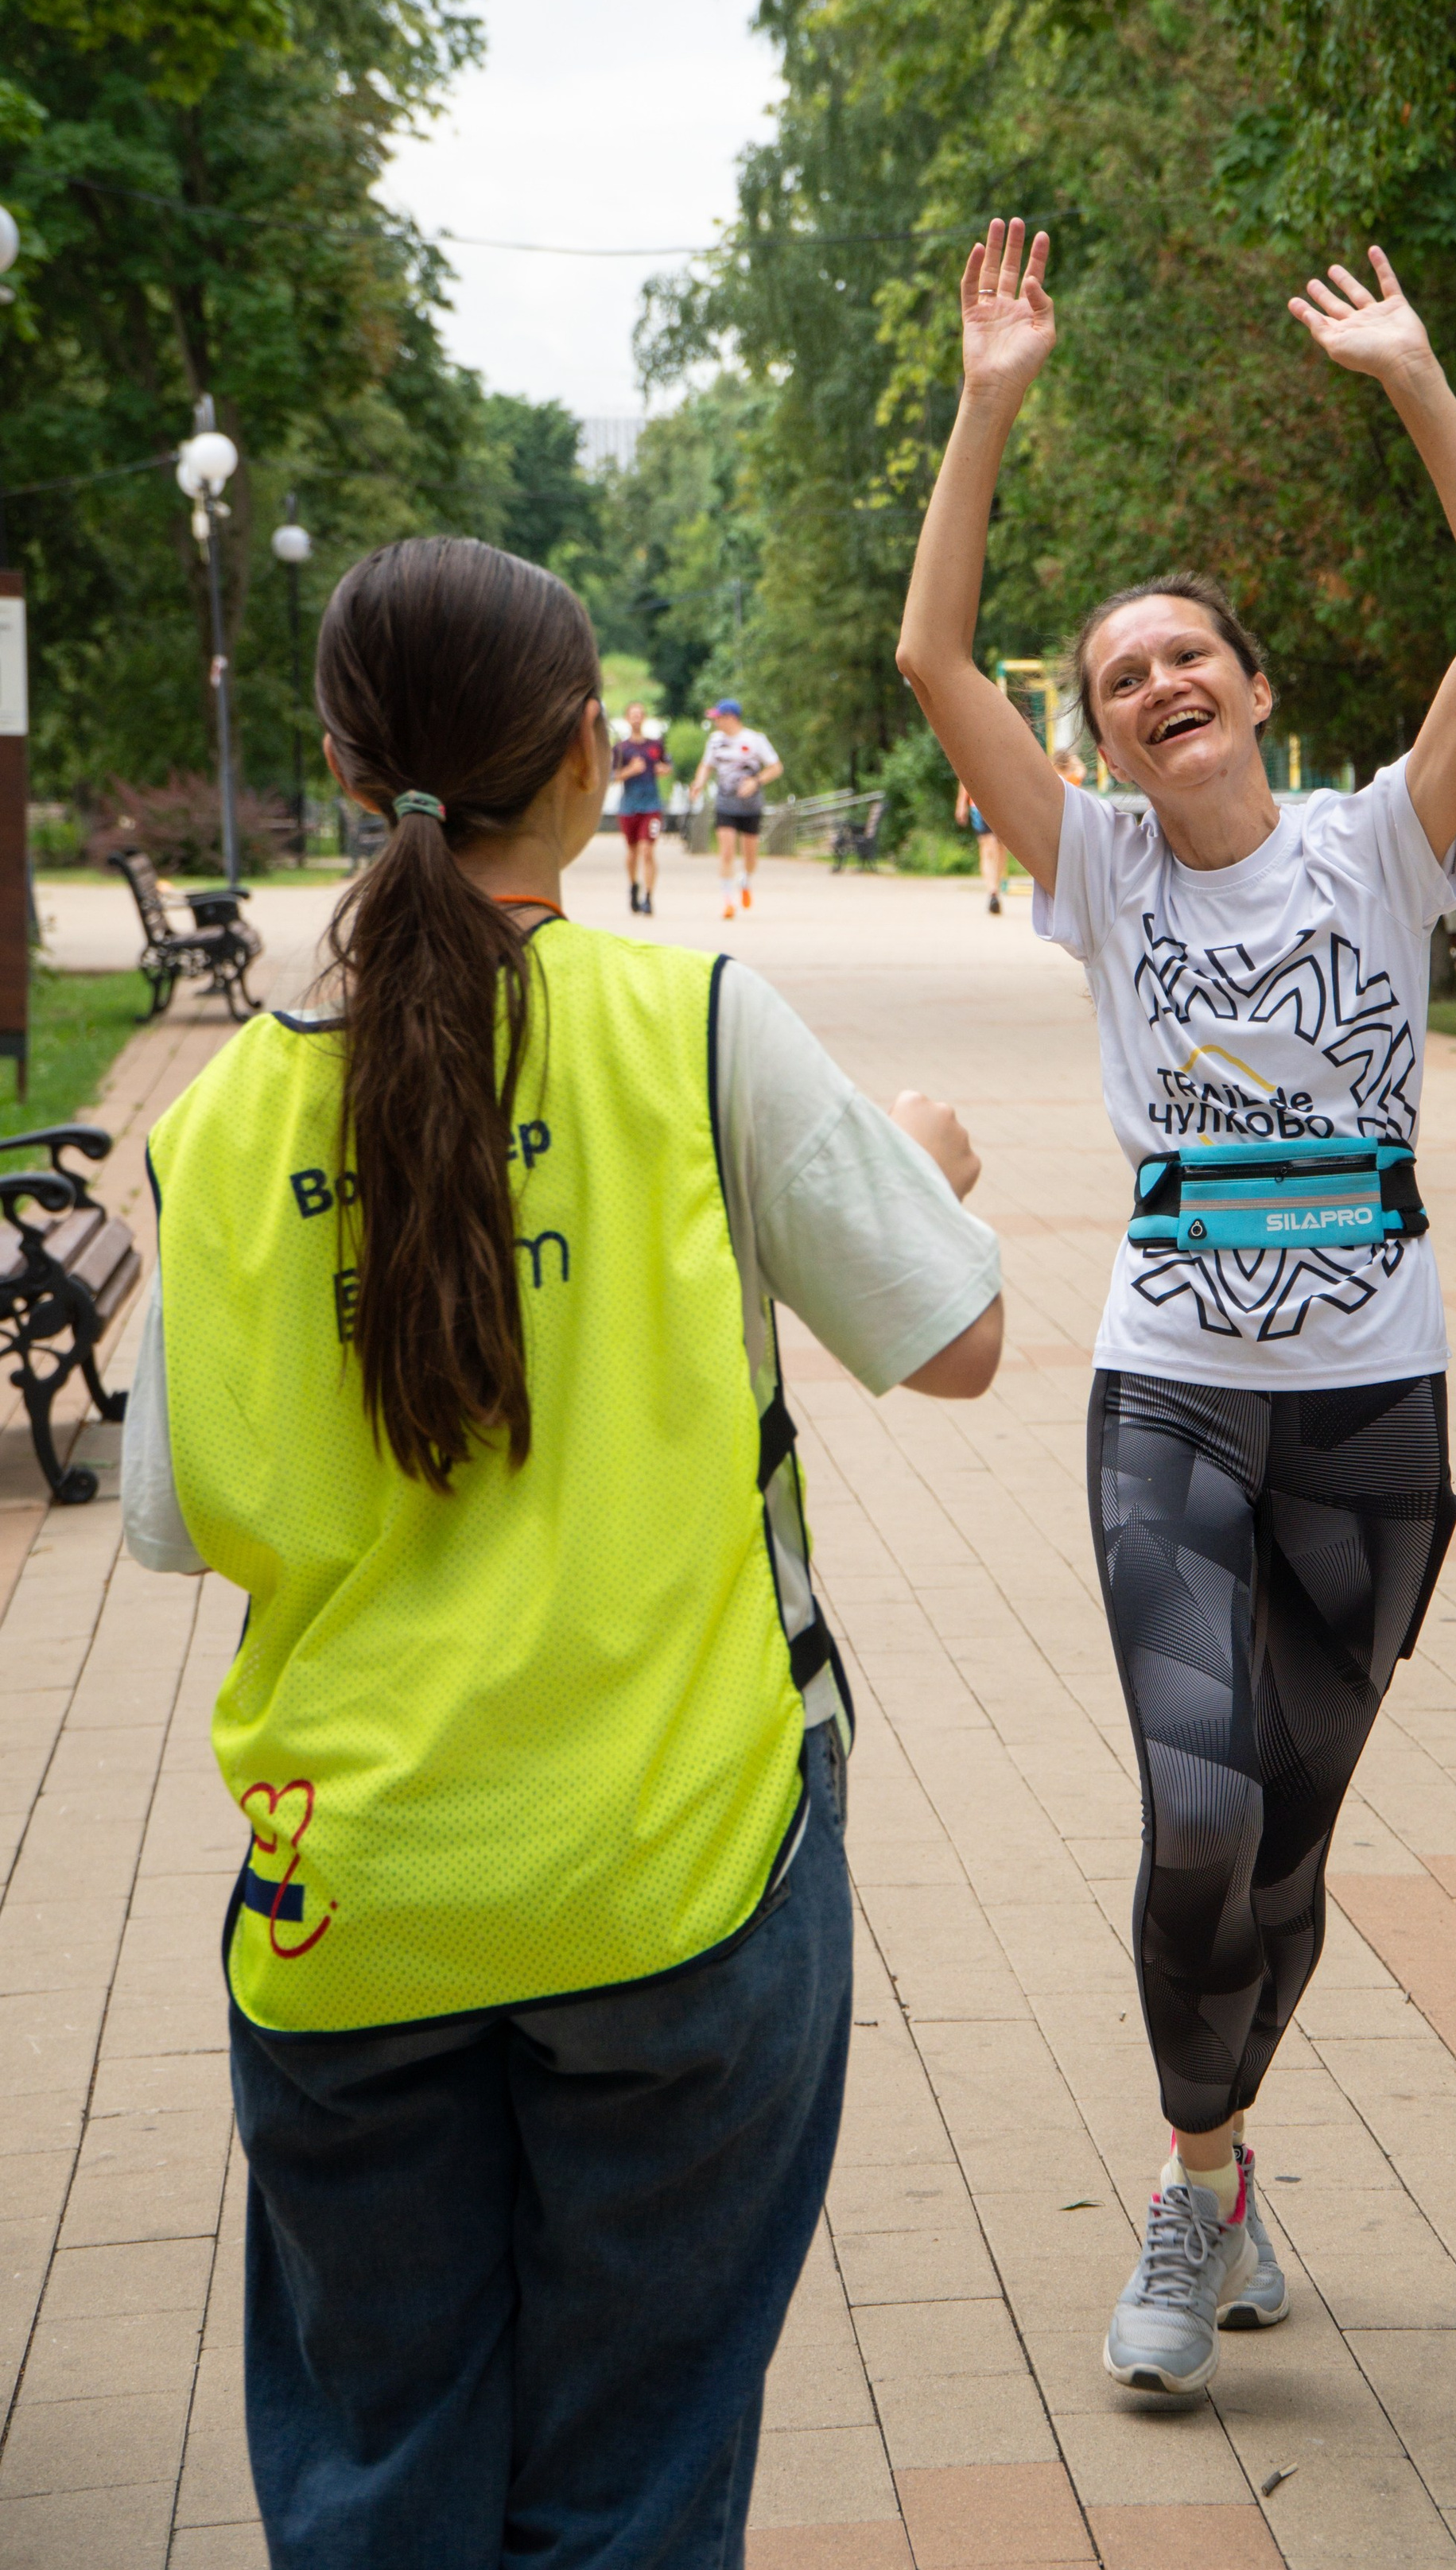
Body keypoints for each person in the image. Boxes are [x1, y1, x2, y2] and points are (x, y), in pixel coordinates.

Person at [119, 538, 1004, 2569]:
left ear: (346, 765)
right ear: (601, 756)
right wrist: (913, 1157)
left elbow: (174, 1513)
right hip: (676, 1877)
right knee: (625, 2487)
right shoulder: (692, 1022)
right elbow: (951, 1339)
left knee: (375, 2473)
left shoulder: (226, 1114)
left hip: (353, 1893)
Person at [896, 216, 1456, 2398]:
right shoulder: (1095, 873)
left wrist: (1414, 378)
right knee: (1198, 1819)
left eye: (1191, 656)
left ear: (1256, 690)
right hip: (1171, 1401)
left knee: (1285, 1846)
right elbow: (931, 664)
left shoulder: (1389, 842)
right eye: (1118, 677)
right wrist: (988, 404)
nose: (1158, 683)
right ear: (1100, 737)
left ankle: (1231, 2167)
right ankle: (1191, 2202)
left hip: (1376, 1415)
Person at [692, 699, 783, 921]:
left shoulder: (755, 740)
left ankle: (745, 880)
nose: (715, 722)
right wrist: (699, 782)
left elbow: (776, 767)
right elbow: (707, 765)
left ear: (731, 717)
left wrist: (755, 781)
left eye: (718, 718)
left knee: (750, 856)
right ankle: (728, 902)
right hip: (725, 804)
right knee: (727, 852)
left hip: (751, 805)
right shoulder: (715, 741)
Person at [613, 697, 669, 915]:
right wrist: (630, 771)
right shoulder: (620, 749)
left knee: (647, 850)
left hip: (652, 805)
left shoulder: (655, 745)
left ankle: (648, 896)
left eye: (640, 714)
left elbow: (666, 764)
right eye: (633, 714)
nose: (636, 718)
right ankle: (633, 886)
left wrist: (664, 770)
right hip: (628, 806)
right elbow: (612, 777)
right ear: (627, 719)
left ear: (644, 718)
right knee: (633, 851)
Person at [954, 776, 1007, 912]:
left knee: (1000, 848)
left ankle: (996, 888)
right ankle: (992, 893)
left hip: (1002, 802)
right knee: (988, 846)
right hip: (978, 804)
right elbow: (966, 772)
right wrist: (961, 802)